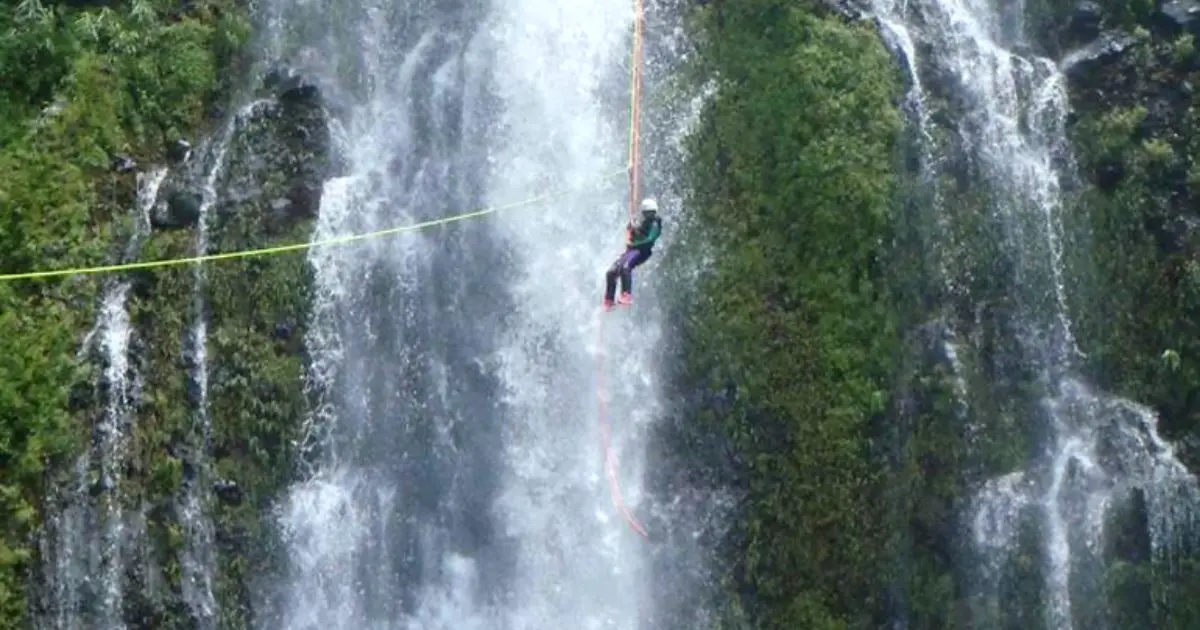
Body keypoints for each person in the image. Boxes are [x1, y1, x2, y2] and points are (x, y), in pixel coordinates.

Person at [604, 197, 662, 309]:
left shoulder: (655, 223)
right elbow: (630, 233)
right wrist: (631, 228)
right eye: (647, 213)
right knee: (611, 272)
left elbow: (650, 239)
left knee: (625, 267)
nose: (650, 215)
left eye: (651, 213)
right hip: (632, 250)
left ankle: (627, 295)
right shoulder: (642, 222)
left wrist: (633, 244)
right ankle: (609, 300)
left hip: (642, 251)